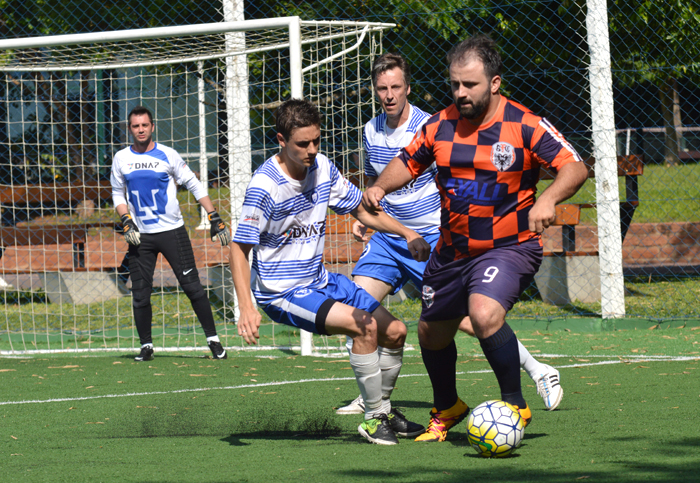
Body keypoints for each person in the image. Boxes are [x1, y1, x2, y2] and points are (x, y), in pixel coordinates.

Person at [361, 36, 589, 442]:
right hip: (452, 249)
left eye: (471, 85)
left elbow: (573, 166)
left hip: (510, 245)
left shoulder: (525, 124)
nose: (461, 93)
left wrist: (549, 198)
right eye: (455, 85)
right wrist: (380, 188)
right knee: (430, 332)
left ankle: (515, 406)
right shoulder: (439, 125)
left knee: (483, 314)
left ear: (495, 83)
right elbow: (407, 162)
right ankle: (447, 408)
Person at [229, 98, 432, 445]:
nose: (311, 150)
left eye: (316, 141)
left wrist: (407, 232)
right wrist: (246, 305)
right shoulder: (265, 186)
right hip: (282, 292)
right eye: (302, 144)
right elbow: (238, 247)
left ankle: (382, 408)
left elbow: (362, 210)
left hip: (320, 281)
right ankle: (372, 419)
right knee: (363, 327)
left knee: (396, 332)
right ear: (281, 140)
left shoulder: (323, 168)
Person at [110, 105, 231, 362]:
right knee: (140, 294)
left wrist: (213, 215)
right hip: (140, 236)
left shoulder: (168, 154)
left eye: (144, 125)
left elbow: (194, 183)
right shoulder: (121, 157)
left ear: (152, 127)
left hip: (172, 232)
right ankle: (146, 347)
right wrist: (126, 220)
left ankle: (214, 341)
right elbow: (117, 193)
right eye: (135, 126)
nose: (140, 130)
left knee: (193, 288)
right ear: (130, 129)